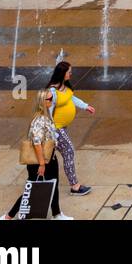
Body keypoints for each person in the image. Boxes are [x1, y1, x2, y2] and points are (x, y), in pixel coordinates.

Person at [2, 89, 71, 220]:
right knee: (32, 190)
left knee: (54, 185)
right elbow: (36, 142)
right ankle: (9, 216)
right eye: (49, 99)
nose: (52, 101)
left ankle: (57, 214)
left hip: (50, 158)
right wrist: (42, 163)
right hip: (40, 161)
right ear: (42, 102)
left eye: (52, 99)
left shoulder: (47, 116)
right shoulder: (39, 120)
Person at [45, 61, 94, 196]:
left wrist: (85, 106)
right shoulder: (51, 92)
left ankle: (44, 178)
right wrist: (52, 132)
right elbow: (46, 112)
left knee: (52, 155)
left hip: (62, 128)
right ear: (62, 74)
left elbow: (72, 98)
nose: (71, 74)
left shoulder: (64, 87)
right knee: (69, 151)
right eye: (69, 72)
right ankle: (75, 186)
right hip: (56, 129)